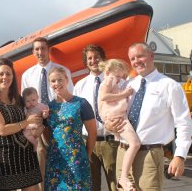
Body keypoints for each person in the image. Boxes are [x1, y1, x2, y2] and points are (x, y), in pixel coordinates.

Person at [106, 42, 192, 190]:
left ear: (151, 56)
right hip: (122, 152)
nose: (136, 61)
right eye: (132, 58)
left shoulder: (170, 86)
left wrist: (180, 156)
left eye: (140, 56)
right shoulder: (127, 85)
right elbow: (113, 111)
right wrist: (109, 125)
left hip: (148, 156)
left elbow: (183, 122)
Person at [21, 37, 73, 190]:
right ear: (32, 52)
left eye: (43, 48)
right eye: (36, 49)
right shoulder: (27, 75)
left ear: (48, 50)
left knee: (64, 162)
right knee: (41, 161)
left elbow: (70, 96)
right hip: (37, 124)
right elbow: (24, 103)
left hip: (58, 121)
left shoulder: (63, 71)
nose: (40, 52)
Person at [0, 58, 43, 191]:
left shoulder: (18, 98)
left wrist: (39, 125)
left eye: (8, 74)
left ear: (13, 76)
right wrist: (27, 122)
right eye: (1, 74)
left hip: (27, 153)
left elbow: (34, 114)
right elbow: (2, 130)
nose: (5, 77)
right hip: (6, 157)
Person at [73, 44, 118, 191]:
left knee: (115, 184)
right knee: (92, 185)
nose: (93, 61)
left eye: (96, 57)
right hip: (88, 143)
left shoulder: (114, 81)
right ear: (86, 62)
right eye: (90, 58)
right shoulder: (80, 85)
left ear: (103, 58)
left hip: (110, 142)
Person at [44, 67, 97, 190]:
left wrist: (86, 154)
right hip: (55, 161)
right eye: (53, 81)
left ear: (67, 80)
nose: (56, 84)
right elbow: (47, 133)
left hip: (77, 159)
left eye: (60, 80)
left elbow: (92, 133)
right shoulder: (48, 108)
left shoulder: (81, 103)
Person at [97, 59, 140, 190]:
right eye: (117, 76)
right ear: (109, 72)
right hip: (116, 115)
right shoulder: (109, 80)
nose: (118, 80)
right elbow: (104, 96)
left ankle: (123, 177)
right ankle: (123, 177)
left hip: (115, 115)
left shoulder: (112, 81)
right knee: (135, 144)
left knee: (127, 144)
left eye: (120, 77)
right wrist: (124, 94)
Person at [22, 87, 49, 151]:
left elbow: (46, 114)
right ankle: (34, 143)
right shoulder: (25, 108)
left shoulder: (41, 106)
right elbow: (24, 117)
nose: (31, 103)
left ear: (37, 97)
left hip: (39, 126)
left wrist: (45, 114)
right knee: (25, 134)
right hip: (29, 126)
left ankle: (37, 144)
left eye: (33, 100)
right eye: (28, 101)